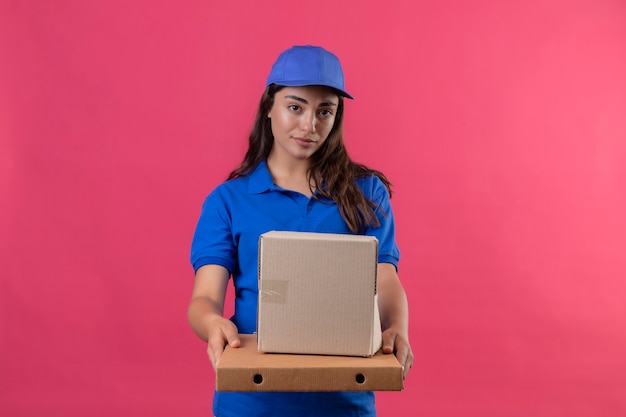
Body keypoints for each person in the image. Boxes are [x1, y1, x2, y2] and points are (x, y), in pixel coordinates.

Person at [188, 44, 413, 417]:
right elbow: (204, 299)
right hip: (252, 401)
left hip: (343, 401)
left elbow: (384, 277)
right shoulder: (228, 200)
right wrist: (213, 324)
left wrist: (397, 328)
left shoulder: (365, 192)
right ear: (269, 106)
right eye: (296, 107)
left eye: (325, 111)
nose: (310, 125)